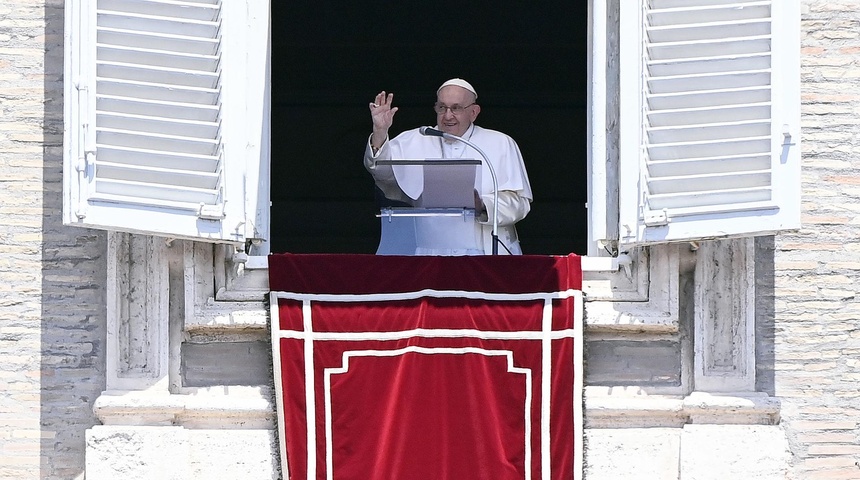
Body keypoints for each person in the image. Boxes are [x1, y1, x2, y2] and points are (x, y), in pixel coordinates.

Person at [364, 78, 533, 255]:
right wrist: (380, 132)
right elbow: (381, 172)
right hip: (428, 252)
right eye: (442, 107)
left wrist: (483, 205)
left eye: (456, 108)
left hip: (485, 252)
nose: (448, 115)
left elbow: (520, 203)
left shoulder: (500, 143)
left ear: (474, 112)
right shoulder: (415, 139)